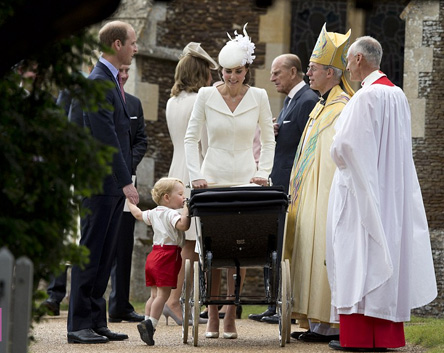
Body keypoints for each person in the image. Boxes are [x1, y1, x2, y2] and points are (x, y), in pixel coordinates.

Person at [326, 36, 437, 351]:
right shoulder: (398, 95)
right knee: (383, 252)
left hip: (363, 191)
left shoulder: (364, 97)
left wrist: (339, 158)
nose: (347, 67)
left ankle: (359, 337)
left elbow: (345, 146)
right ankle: (383, 337)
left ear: (359, 59)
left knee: (358, 255)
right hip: (392, 191)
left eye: (348, 60)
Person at [184, 23, 275, 339]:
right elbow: (190, 137)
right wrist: (195, 174)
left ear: (246, 70)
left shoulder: (260, 96)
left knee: (240, 247)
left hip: (246, 177)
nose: (232, 77)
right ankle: (211, 316)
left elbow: (268, 139)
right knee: (212, 248)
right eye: (226, 72)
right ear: (220, 71)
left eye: (237, 71)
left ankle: (231, 316)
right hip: (212, 177)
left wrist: (263, 172)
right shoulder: (206, 95)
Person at [67, 20, 139, 344]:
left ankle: (97, 321)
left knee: (105, 256)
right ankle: (78, 324)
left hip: (109, 185)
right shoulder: (98, 81)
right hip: (99, 183)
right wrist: (126, 181)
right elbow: (105, 137)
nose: (136, 48)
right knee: (91, 253)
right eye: (133, 42)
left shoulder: (110, 80)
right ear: (117, 45)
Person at [282, 23, 354, 342]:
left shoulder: (341, 109)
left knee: (322, 253)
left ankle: (327, 322)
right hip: (306, 196)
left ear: (330, 72)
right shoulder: (320, 105)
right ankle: (314, 322)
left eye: (312, 69)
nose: (307, 74)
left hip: (326, 197)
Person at [250, 54, 318, 324]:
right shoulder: (291, 101)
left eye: (277, 72)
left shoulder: (308, 101)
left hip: (291, 188)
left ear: (293, 72)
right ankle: (272, 304)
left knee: (282, 247)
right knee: (273, 246)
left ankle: (281, 306)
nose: (271, 77)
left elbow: (308, 150)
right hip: (277, 186)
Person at [162, 42, 217, 325]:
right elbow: (204, 143)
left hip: (175, 171)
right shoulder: (201, 100)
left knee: (177, 241)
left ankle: (168, 300)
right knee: (192, 244)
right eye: (209, 72)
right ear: (201, 73)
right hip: (196, 172)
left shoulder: (173, 101)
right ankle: (174, 301)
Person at [127, 177, 190, 346]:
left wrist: (130, 202)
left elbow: (138, 214)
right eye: (180, 194)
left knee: (153, 294)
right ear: (167, 197)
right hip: (168, 255)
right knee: (163, 295)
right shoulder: (172, 214)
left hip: (154, 255)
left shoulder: (154, 212)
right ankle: (151, 324)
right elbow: (183, 226)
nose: (183, 197)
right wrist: (187, 209)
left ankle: (146, 321)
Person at [108, 64, 147, 323]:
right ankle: (90, 308)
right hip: (102, 181)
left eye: (126, 71)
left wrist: (126, 166)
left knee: (124, 244)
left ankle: (120, 304)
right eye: (119, 71)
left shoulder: (134, 103)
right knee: (101, 246)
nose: (123, 76)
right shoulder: (100, 99)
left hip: (128, 183)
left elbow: (142, 140)